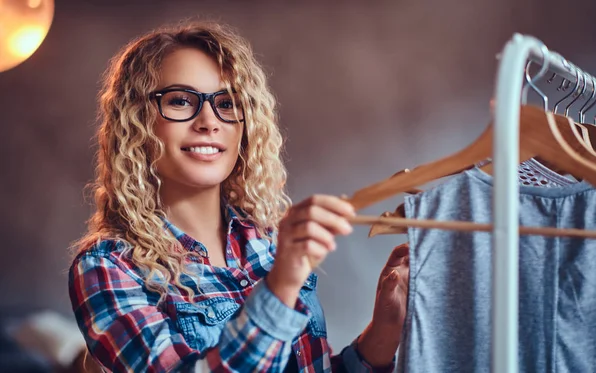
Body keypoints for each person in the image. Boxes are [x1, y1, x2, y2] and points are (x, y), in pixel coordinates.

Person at [68, 21, 410, 373]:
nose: (209, 121)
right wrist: (279, 288)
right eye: (181, 101)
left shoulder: (271, 243)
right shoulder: (108, 265)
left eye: (227, 103)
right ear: (136, 121)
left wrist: (383, 332)